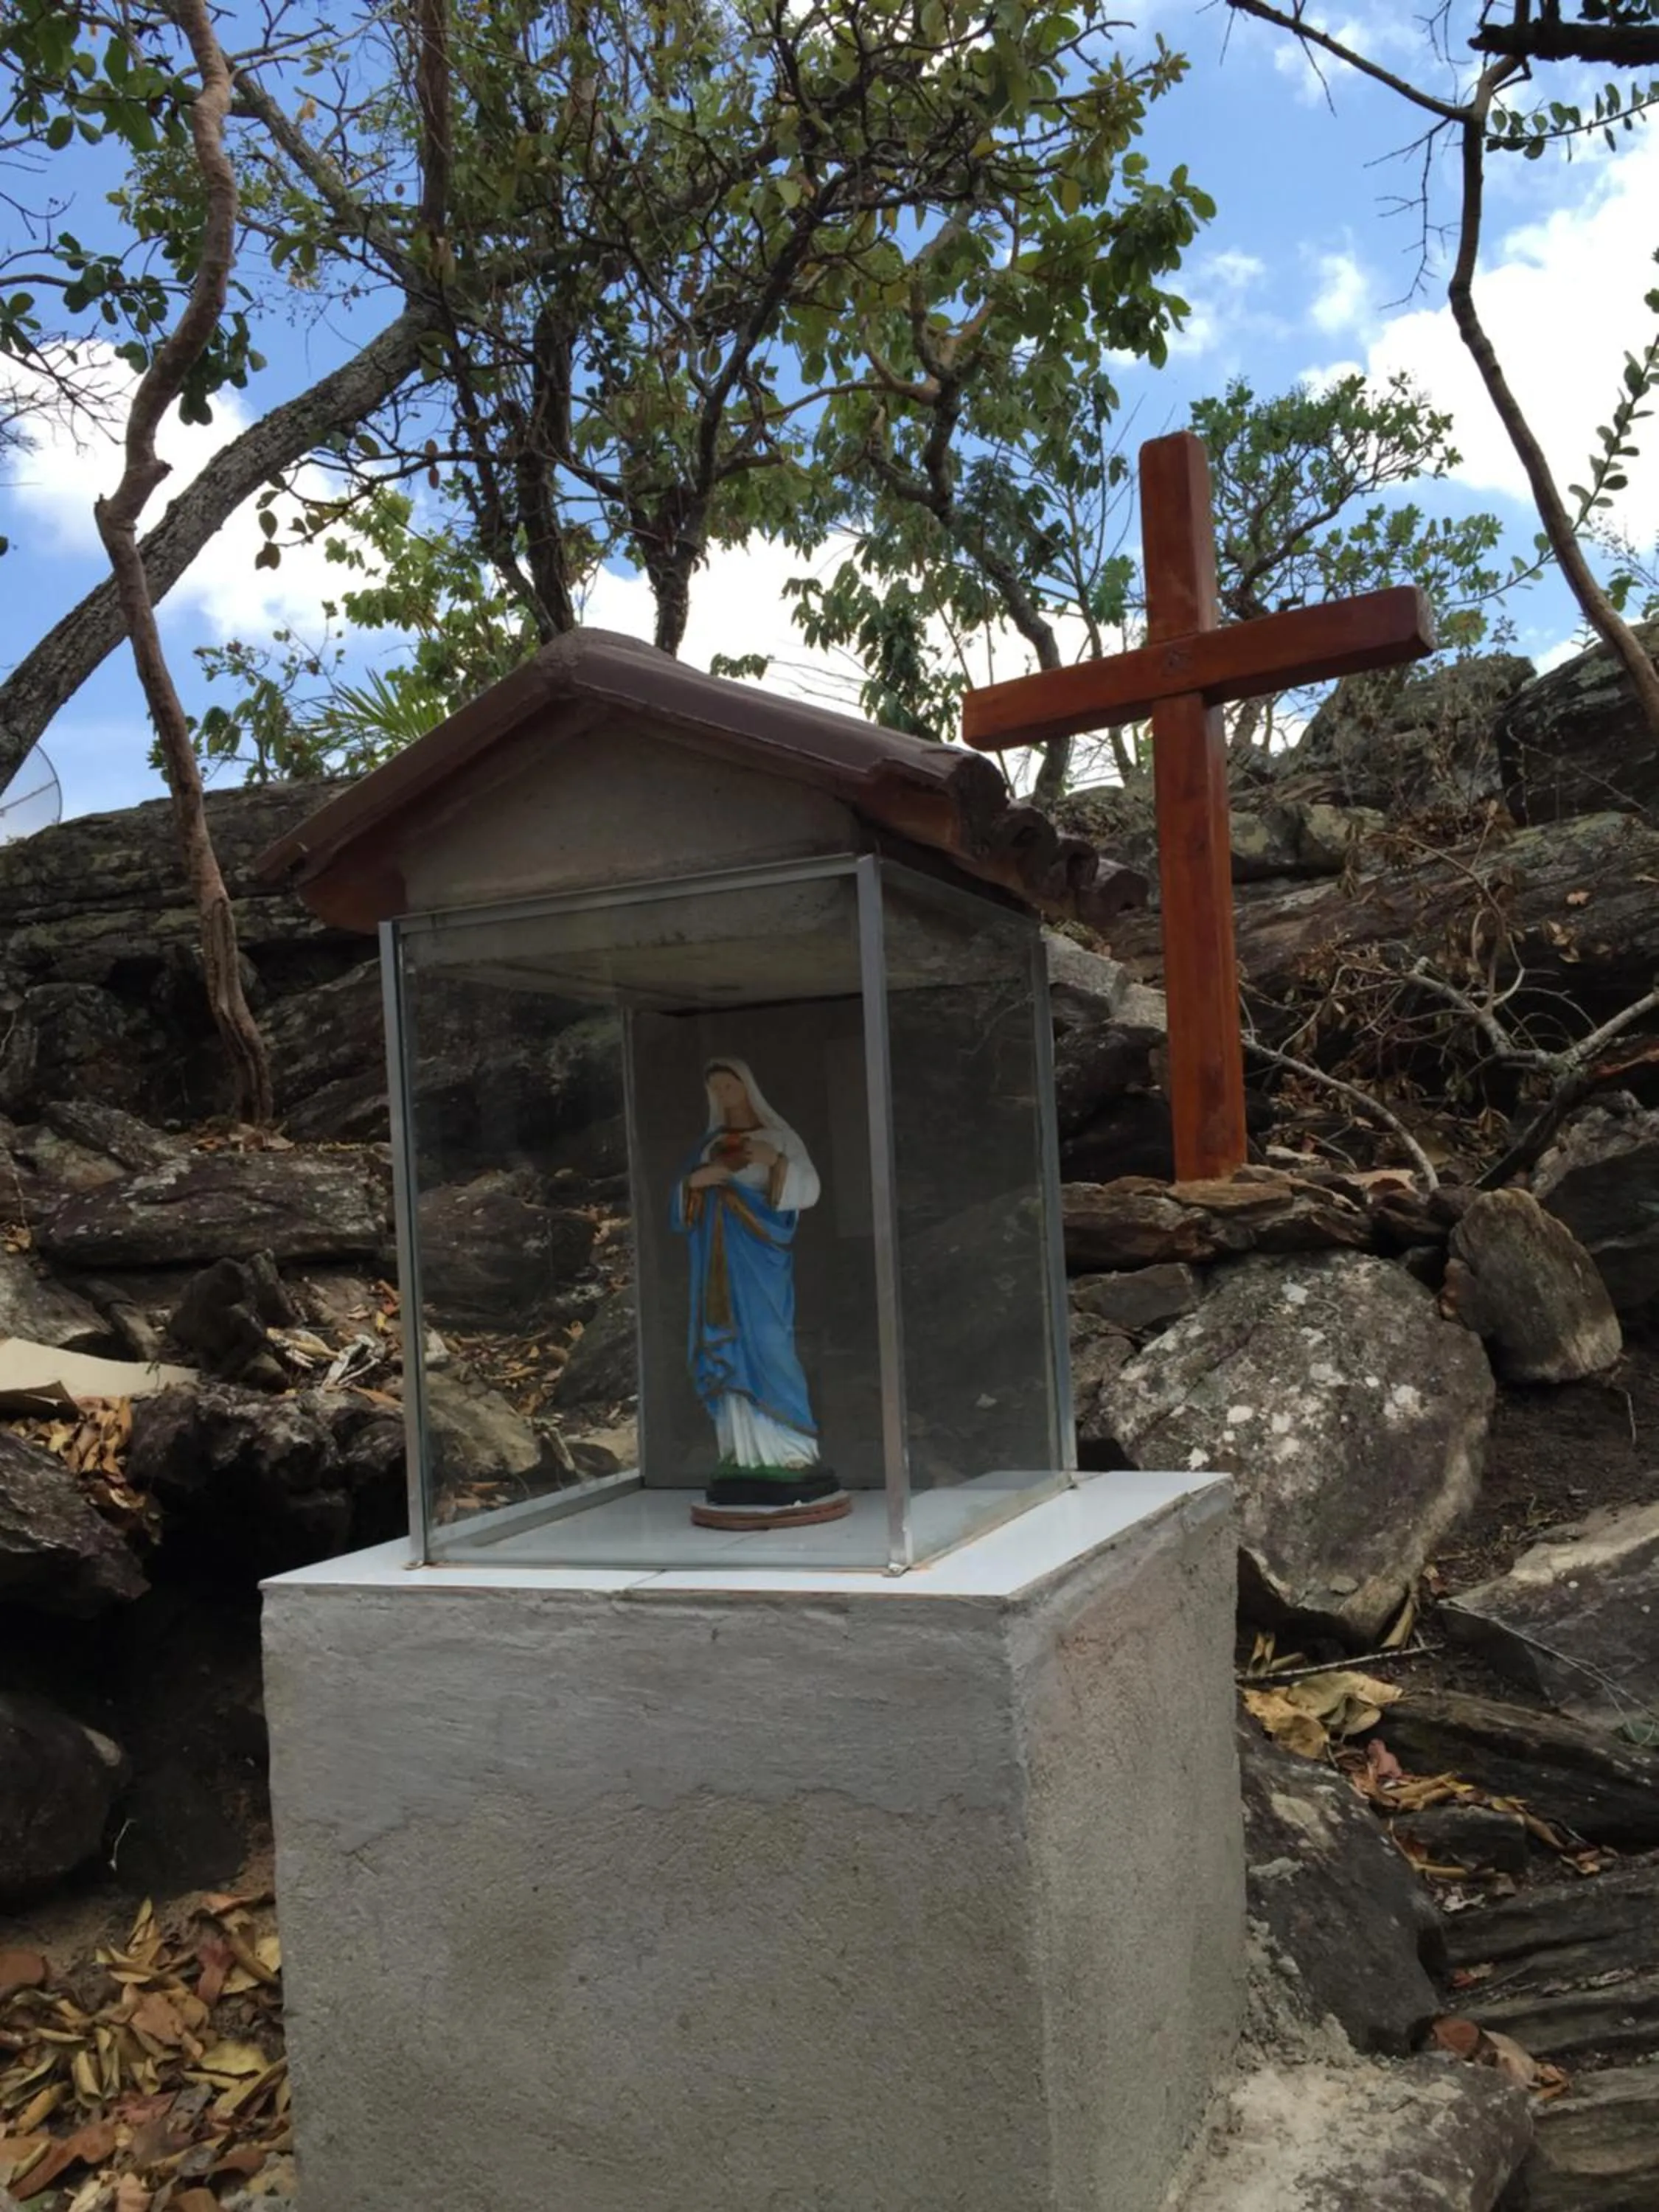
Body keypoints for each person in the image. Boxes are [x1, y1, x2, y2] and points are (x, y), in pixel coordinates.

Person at [672, 1058, 845, 1522]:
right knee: (729, 1344)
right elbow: (679, 1207)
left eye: (730, 1085)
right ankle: (741, 1451)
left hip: (763, 1261)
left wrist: (776, 1163)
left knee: (771, 1344)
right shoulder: (708, 1146)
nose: (724, 1095)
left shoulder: (780, 1138)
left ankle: (793, 1447)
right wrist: (694, 1183)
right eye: (716, 1089)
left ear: (747, 1087)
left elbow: (810, 1189)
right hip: (719, 1266)